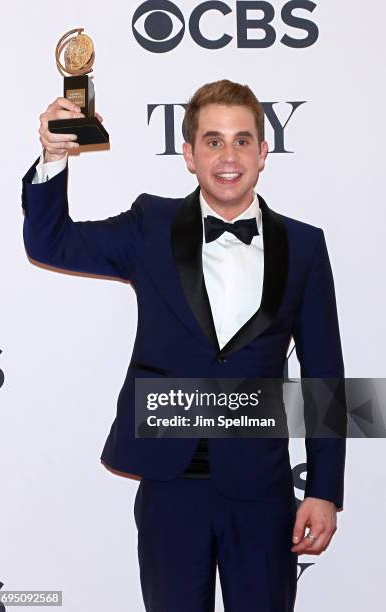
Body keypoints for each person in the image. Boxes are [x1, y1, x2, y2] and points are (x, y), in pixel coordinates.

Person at [22, 79, 346, 612]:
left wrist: (325, 488)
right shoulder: (150, 225)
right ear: (189, 154)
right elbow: (48, 241)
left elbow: (325, 375)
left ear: (263, 153)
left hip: (261, 490)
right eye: (213, 140)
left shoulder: (306, 245)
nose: (228, 155)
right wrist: (53, 157)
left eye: (242, 140)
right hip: (169, 485)